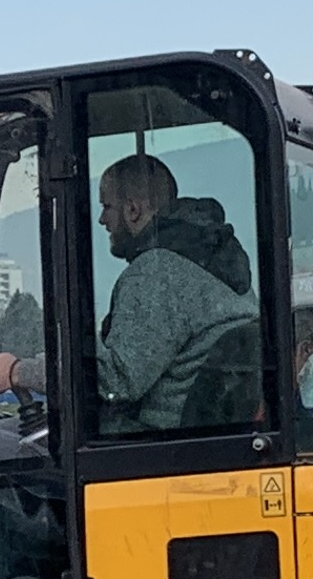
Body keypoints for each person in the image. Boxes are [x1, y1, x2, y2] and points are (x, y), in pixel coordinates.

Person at [90, 154, 260, 434]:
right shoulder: (214, 261)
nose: (101, 219)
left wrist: (23, 370)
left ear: (132, 210)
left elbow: (119, 382)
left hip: (152, 440)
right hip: (194, 437)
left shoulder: (156, 271)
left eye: (107, 207)